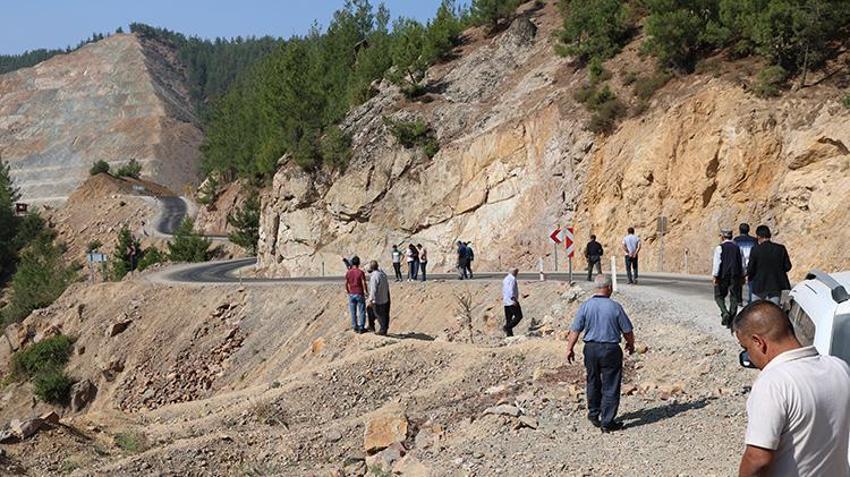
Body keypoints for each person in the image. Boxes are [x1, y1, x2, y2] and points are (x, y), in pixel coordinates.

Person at [733, 301, 850, 476]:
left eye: (746, 348)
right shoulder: (839, 367)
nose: (748, 356)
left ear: (758, 342)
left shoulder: (773, 384)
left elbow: (758, 460)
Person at [566, 275, 635, 433]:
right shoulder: (615, 307)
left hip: (591, 349)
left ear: (596, 288)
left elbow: (575, 329)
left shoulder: (586, 306)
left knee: (592, 381)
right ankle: (607, 421)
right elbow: (627, 330)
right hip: (610, 349)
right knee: (610, 384)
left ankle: (594, 413)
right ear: (609, 287)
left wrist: (569, 348)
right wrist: (631, 344)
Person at [746, 225, 791, 305]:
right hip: (775, 286)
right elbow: (788, 267)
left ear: (758, 236)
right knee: (774, 311)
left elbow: (750, 269)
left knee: (755, 310)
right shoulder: (780, 248)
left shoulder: (755, 249)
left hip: (759, 286)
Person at [712, 229, 743, 328]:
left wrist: (715, 276)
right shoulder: (738, 248)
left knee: (718, 296)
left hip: (723, 276)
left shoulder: (719, 248)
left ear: (722, 237)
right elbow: (741, 263)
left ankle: (724, 312)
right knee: (734, 297)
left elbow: (717, 263)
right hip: (735, 275)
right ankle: (732, 320)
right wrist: (743, 275)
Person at [733, 223, 757, 304]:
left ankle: (739, 300)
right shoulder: (754, 240)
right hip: (751, 263)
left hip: (740, 263)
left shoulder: (736, 240)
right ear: (748, 230)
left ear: (739, 230)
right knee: (751, 283)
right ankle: (750, 300)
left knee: (738, 283)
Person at [344, 256, 369, 333]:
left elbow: (346, 283)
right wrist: (366, 291)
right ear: (359, 263)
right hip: (359, 293)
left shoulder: (348, 272)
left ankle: (355, 326)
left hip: (352, 293)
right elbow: (363, 282)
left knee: (353, 311)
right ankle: (361, 327)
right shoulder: (360, 272)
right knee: (361, 310)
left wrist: (348, 291)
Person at [367, 260, 391, 335]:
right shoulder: (382, 274)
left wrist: (371, 299)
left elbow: (373, 289)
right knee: (371, 311)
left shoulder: (374, 276)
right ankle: (372, 326)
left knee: (379, 315)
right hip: (385, 297)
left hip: (378, 299)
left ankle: (382, 330)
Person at [502, 268, 522, 337]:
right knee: (519, 316)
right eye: (516, 272)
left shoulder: (506, 279)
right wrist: (513, 299)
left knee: (509, 319)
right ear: (514, 272)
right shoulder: (512, 279)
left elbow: (504, 290)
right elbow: (511, 290)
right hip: (511, 301)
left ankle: (509, 335)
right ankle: (507, 327)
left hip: (506, 301)